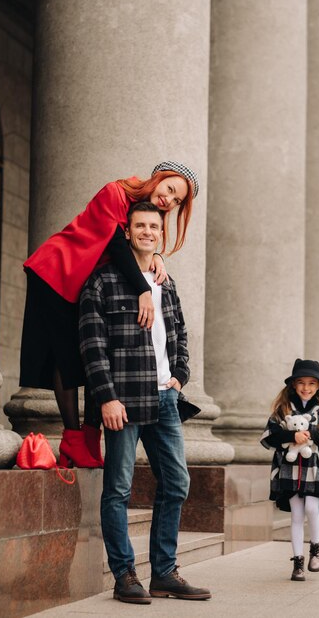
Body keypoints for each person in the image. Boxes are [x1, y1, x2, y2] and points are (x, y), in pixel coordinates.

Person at [19, 161, 199, 468]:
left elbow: (134, 241)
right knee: (68, 356)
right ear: (157, 180)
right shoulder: (116, 192)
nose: (169, 200)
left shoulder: (140, 212)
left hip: (81, 282)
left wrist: (156, 256)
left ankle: (88, 439)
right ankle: (73, 439)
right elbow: (117, 243)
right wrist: (143, 289)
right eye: (169, 189)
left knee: (93, 359)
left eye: (177, 200)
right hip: (56, 271)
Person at [78, 202, 211, 604]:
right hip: (124, 400)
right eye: (140, 225)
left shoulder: (165, 282)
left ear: (161, 232)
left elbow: (180, 335)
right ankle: (124, 575)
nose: (148, 232)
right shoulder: (102, 281)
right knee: (118, 488)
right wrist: (107, 397)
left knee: (177, 482)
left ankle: (165, 572)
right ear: (127, 231)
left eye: (154, 226)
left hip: (165, 398)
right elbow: (91, 345)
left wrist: (180, 376)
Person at [260, 358, 319, 582]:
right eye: (301, 382)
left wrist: (311, 434)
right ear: (293, 385)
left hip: (316, 469)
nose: (306, 388)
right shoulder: (283, 410)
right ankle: (297, 563)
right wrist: (291, 435)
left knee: (311, 507)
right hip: (289, 469)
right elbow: (270, 436)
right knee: (296, 513)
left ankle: (315, 549)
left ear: (318, 387)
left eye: (311, 383)